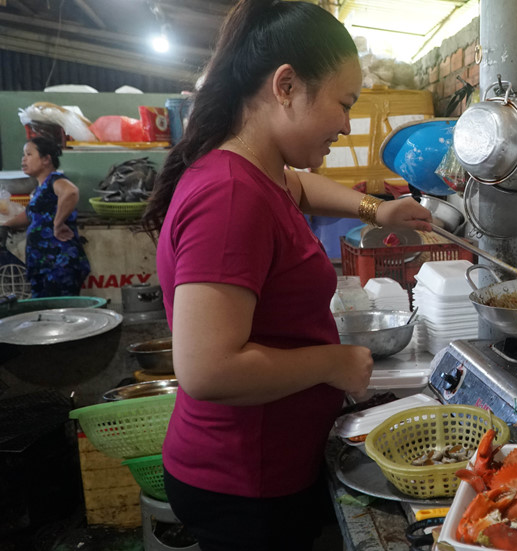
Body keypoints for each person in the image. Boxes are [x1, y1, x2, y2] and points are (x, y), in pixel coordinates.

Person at [140, 1, 432, 549]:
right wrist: (335, 361)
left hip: (264, 467)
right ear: (286, 86)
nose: (347, 125)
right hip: (244, 483)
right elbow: (207, 370)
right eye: (344, 104)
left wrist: (378, 209)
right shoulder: (231, 197)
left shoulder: (257, 171)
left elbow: (300, 186)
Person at [1, 136, 90, 297]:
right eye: (23, 155)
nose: (23, 159)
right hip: (43, 263)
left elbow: (71, 192)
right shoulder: (39, 189)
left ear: (46, 159)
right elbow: (29, 216)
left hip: (58, 262)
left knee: (59, 311)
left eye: (29, 154)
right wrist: (5, 225)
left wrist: (58, 223)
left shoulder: (55, 180)